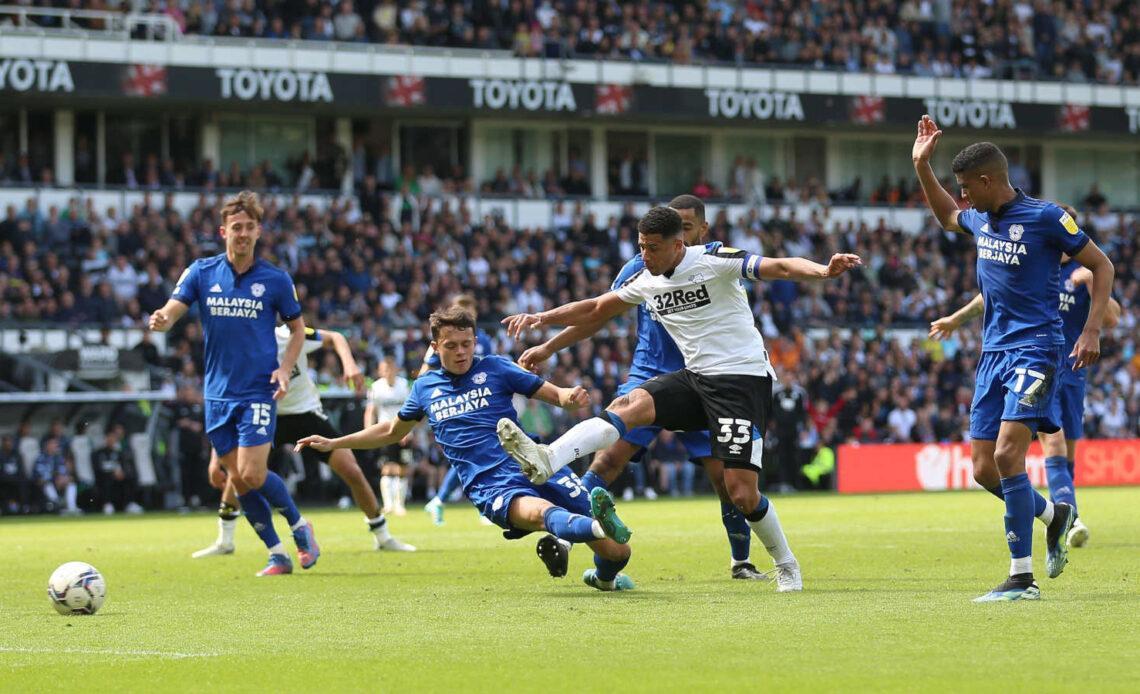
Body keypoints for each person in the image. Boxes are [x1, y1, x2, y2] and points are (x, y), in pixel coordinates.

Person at [500, 206, 863, 592]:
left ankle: (785, 563)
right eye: (641, 246)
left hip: (741, 382)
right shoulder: (645, 278)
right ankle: (549, 457)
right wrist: (542, 318)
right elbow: (595, 308)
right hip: (694, 378)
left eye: (652, 248)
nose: (644, 255)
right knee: (629, 406)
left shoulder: (714, 260)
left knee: (742, 493)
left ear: (679, 245)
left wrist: (823, 271)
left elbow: (780, 267)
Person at [912, 115, 1115, 601]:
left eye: (965, 187)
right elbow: (946, 215)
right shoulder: (980, 219)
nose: (962, 196)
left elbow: (1102, 264)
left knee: (1007, 455)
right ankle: (1054, 514)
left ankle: (1021, 578)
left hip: (1038, 349)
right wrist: (923, 167)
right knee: (984, 468)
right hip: (993, 353)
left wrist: (1090, 331)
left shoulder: (1047, 218)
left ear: (988, 180)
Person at [297, 307, 636, 592]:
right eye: (451, 346)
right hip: (489, 484)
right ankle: (598, 525)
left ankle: (604, 578)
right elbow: (389, 430)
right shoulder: (425, 388)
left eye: (466, 344)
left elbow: (554, 394)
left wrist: (570, 397)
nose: (460, 352)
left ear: (475, 341)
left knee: (618, 552)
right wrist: (337, 441)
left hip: (536, 463)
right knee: (540, 513)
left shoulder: (497, 367)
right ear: (435, 347)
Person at [518, 195, 767, 581]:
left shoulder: (716, 268)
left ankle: (741, 561)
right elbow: (597, 314)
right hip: (649, 377)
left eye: (686, 227)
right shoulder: (640, 269)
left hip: (708, 381)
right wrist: (550, 346)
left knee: (725, 478)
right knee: (607, 459)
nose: (679, 234)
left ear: (701, 231)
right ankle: (569, 538)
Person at [149, 190, 319, 577]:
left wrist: (283, 369)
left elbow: (297, 331)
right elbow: (173, 309)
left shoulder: (275, 280)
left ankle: (298, 526)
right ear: (224, 231)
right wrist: (162, 318)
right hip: (217, 394)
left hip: (258, 390)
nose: (242, 234)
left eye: (249, 228)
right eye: (236, 228)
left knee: (254, 474)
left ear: (259, 232)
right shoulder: (200, 272)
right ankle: (277, 553)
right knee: (237, 479)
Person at [930, 240, 1121, 550]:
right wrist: (955, 318)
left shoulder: (1082, 270)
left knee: (1065, 455)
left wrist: (1089, 281)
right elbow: (989, 294)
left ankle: (1061, 510)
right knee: (1051, 444)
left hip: (1073, 372)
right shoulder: (1034, 261)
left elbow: (1113, 317)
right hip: (1040, 364)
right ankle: (1069, 521)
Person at [194, 324, 415, 557]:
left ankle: (382, 536)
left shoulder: (292, 334)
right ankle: (225, 539)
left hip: (305, 414)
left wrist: (349, 364)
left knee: (351, 470)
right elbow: (225, 408)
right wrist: (215, 456)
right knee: (239, 473)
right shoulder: (240, 347)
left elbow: (336, 337)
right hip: (266, 416)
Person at [421, 293, 493, 526]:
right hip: (456, 402)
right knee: (473, 455)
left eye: (469, 311)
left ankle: (442, 500)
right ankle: (483, 505)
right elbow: (426, 370)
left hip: (481, 400)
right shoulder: (444, 340)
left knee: (474, 455)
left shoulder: (483, 338)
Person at [366, 355, 414, 516]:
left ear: (396, 369)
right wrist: (368, 432)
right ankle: (388, 504)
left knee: (402, 468)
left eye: (390, 368)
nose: (388, 372)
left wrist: (409, 430)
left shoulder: (404, 385)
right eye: (384, 369)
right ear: (380, 371)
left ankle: (400, 505)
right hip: (385, 432)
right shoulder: (376, 387)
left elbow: (412, 410)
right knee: (386, 467)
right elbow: (371, 411)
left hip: (403, 432)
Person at [92, 425, 143, 515]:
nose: (112, 440)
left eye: (114, 438)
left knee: (130, 478)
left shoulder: (118, 453)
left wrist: (122, 472)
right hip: (104, 476)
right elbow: (98, 468)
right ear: (106, 439)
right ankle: (107, 504)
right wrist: (112, 472)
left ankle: (129, 504)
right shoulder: (99, 453)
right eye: (110, 437)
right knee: (106, 480)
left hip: (117, 476)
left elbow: (122, 465)